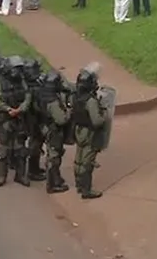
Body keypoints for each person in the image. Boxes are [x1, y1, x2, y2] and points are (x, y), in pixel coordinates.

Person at [0, 55, 32, 187]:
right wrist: (8, 109)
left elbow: (28, 97)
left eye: (20, 69)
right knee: (4, 150)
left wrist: (20, 109)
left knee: (21, 150)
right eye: (16, 69)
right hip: (6, 120)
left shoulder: (22, 81)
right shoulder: (0, 83)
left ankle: (20, 175)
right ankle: (1, 176)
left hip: (20, 120)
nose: (18, 72)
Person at [71, 68, 107, 199]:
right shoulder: (90, 101)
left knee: (78, 160)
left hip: (78, 130)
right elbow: (97, 121)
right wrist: (105, 116)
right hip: (89, 133)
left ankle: (79, 186)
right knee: (87, 161)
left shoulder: (75, 96)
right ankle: (86, 190)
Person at [38, 70, 72, 194]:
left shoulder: (43, 94)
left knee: (53, 154)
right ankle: (52, 185)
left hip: (46, 127)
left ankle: (56, 179)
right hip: (54, 131)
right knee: (54, 157)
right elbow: (61, 120)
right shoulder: (52, 101)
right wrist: (68, 112)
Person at [22, 59, 47, 182]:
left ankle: (33, 168)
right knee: (35, 145)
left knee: (34, 143)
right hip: (34, 121)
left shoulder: (25, 84)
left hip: (29, 119)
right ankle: (33, 170)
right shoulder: (34, 89)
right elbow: (39, 108)